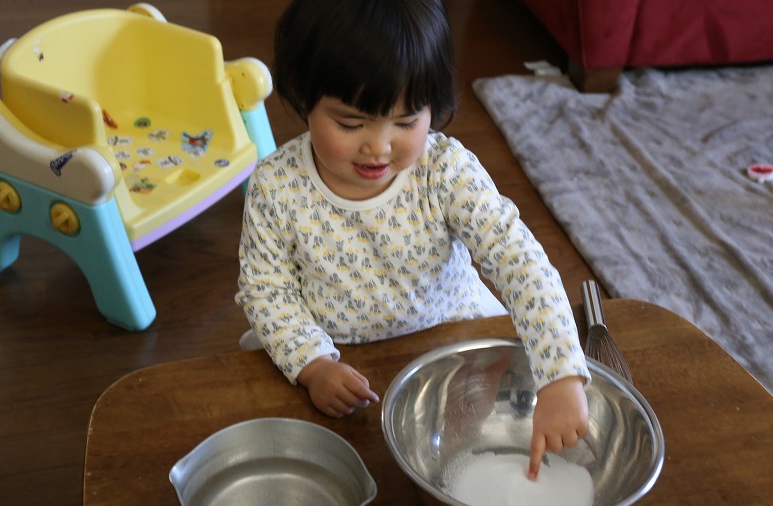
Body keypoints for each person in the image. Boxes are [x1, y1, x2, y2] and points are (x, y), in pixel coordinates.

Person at [235, 0, 590, 480]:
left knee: (458, 460)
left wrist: (561, 374)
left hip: (454, 344)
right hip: (337, 356)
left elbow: (521, 262)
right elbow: (267, 292)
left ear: (434, 104)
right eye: (350, 122)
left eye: (406, 122)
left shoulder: (444, 172)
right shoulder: (276, 186)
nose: (378, 145)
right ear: (303, 97)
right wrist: (313, 366)